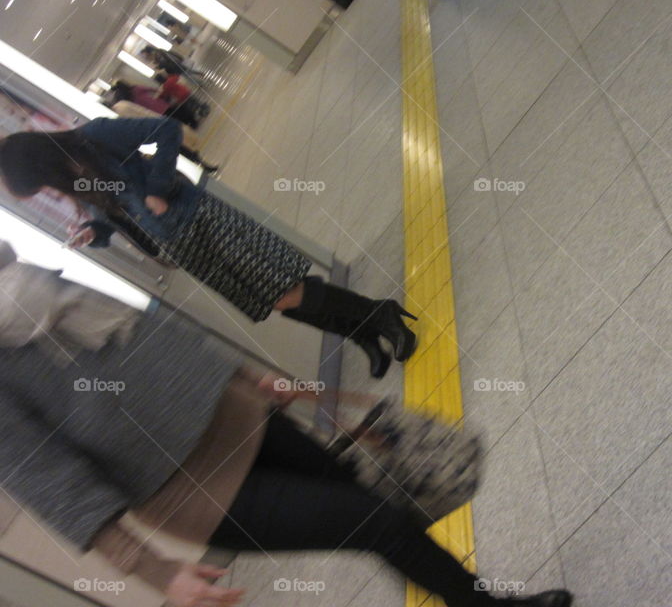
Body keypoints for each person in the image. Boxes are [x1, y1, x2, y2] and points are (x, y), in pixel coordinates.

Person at [0, 247, 573, 607]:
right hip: (196, 491)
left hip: (242, 414)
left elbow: (154, 338)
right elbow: (45, 476)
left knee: (384, 516)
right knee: (374, 521)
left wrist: (253, 377)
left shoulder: (32, 281)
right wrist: (152, 570)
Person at [0, 117, 414, 378]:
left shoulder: (93, 138)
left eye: (42, 184)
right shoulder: (76, 187)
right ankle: (362, 333)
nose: (49, 191)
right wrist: (96, 233)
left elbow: (166, 130)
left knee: (284, 287)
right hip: (181, 248)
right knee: (275, 303)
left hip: (201, 219)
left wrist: (159, 187)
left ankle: (380, 314)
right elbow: (117, 222)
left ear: (41, 165)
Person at [104, 84, 219, 173]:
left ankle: (201, 166)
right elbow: (145, 111)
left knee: (179, 150)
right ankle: (202, 164)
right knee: (181, 147)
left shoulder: (118, 114)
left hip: (152, 135)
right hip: (156, 125)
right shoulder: (125, 104)